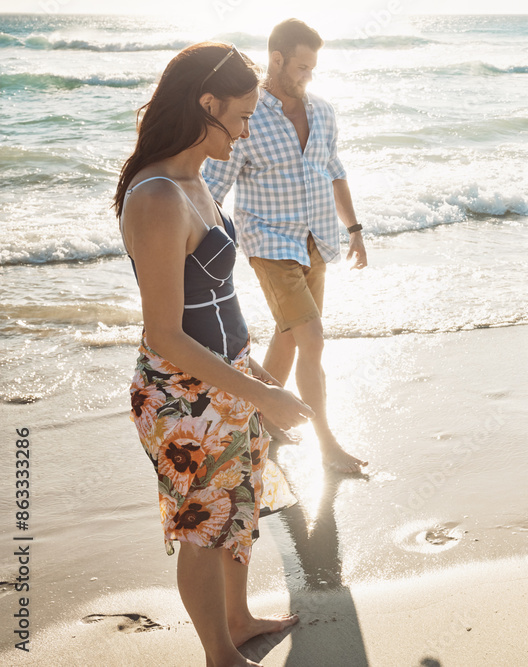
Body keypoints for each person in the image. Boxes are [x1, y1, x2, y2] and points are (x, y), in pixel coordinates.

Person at [114, 42, 314, 666]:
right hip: (183, 396)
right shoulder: (155, 198)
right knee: (205, 526)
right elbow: (165, 335)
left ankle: (238, 617)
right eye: (246, 114)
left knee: (240, 506)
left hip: (226, 379)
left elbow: (218, 301)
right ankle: (219, 655)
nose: (250, 129)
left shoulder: (195, 179)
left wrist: (252, 373)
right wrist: (267, 395)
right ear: (208, 104)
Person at [202, 19, 367, 473]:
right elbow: (213, 185)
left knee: (291, 334)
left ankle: (263, 421)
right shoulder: (247, 114)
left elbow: (334, 169)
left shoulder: (323, 112)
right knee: (311, 338)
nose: (308, 75)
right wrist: (193, 243)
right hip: (269, 242)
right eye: (301, 66)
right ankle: (328, 445)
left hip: (318, 238)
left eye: (313, 67)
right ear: (276, 59)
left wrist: (354, 230)